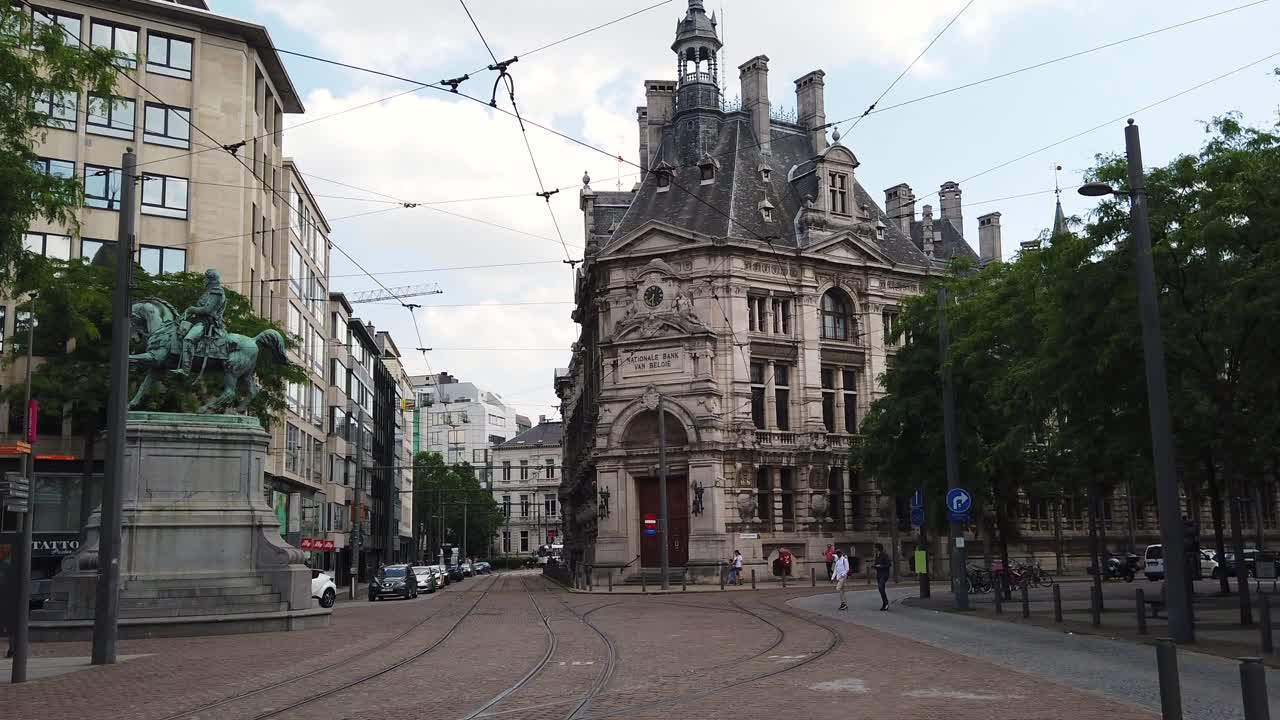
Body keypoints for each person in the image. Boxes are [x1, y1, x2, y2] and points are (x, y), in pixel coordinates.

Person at [173, 268, 227, 379]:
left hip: (207, 322)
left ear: (209, 280)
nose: (204, 281)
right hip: (198, 320)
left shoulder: (217, 291)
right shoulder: (209, 292)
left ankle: (185, 370)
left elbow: (207, 310)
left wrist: (191, 309)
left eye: (205, 278)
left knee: (188, 339)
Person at [873, 543, 892, 611]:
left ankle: (886, 603)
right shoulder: (877, 556)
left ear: (878, 548)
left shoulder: (884, 555)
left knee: (881, 587)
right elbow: (876, 564)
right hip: (879, 574)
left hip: (884, 574)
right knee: (881, 589)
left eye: (875, 548)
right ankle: (884, 604)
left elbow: (889, 564)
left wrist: (880, 566)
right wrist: (875, 566)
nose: (874, 549)